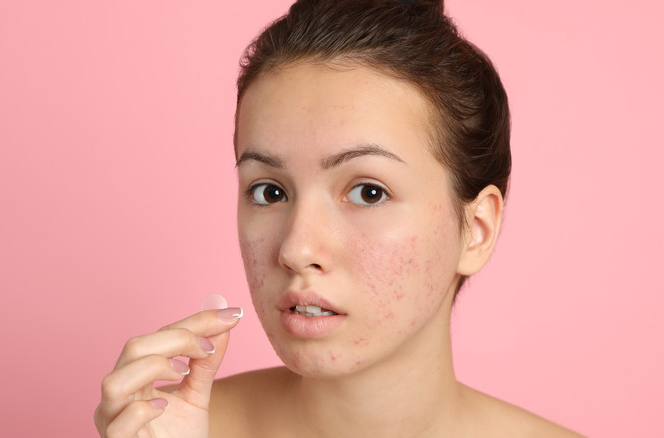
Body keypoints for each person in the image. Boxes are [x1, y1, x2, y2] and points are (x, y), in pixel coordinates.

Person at [95, 0, 582, 436]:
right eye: (269, 191)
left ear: (476, 231)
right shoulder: (172, 427)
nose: (296, 248)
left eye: (369, 192)